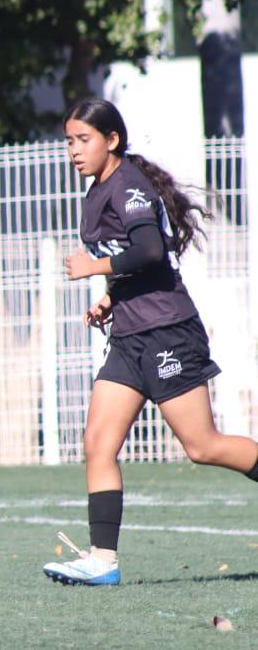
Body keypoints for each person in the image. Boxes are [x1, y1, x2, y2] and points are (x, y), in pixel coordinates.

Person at [44, 98, 258, 586]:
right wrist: (108, 297)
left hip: (166, 333)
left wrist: (95, 268)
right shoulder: (98, 190)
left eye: (84, 140)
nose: (75, 151)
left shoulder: (129, 186)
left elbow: (149, 249)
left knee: (202, 446)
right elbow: (132, 260)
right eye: (69, 141)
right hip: (129, 337)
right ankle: (102, 562)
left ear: (111, 140)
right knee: (98, 443)